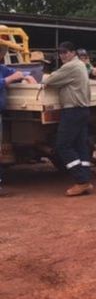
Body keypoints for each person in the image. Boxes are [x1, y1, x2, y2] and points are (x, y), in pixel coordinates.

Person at [42, 42, 92, 196]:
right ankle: (85, 180)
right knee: (80, 145)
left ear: (72, 53)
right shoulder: (80, 65)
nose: (62, 55)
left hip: (72, 110)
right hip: (82, 110)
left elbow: (49, 81)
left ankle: (81, 181)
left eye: (65, 52)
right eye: (60, 53)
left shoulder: (71, 66)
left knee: (63, 145)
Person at [0, 46, 36, 197]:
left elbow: (18, 73)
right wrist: (10, 79)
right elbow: (8, 78)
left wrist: (26, 76)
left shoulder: (2, 68)